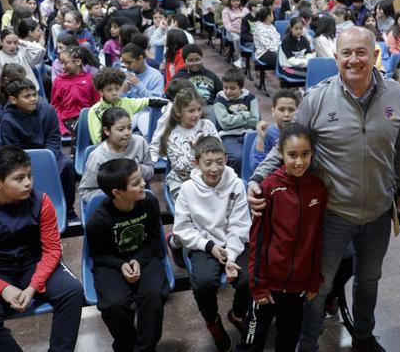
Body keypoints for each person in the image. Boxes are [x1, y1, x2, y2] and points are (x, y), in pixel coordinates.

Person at [249, 26, 400, 352]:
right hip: (333, 214)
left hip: (379, 213)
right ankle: (308, 344)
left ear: (374, 55)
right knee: (319, 287)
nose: (354, 60)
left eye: (361, 52)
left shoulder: (395, 93)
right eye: (346, 53)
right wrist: (256, 178)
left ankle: (363, 335)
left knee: (369, 280)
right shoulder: (317, 98)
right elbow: (285, 145)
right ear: (336, 57)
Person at [0, 145, 83, 351]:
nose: (28, 183)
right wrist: (3, 289)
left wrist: (33, 285)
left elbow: (52, 250)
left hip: (33, 264)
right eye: (19, 178)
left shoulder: (42, 202)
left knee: (73, 292)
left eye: (30, 175)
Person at [239, 124, 327, 352]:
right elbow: (258, 240)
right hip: (268, 285)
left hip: (298, 287)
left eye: (305, 154)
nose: (299, 161)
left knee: (287, 342)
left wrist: (313, 279)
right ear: (281, 154)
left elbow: (317, 239)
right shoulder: (268, 187)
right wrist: (257, 285)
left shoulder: (318, 189)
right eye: (292, 155)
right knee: (251, 343)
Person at [173, 136, 251, 351]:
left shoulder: (236, 184)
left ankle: (236, 314)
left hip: (233, 243)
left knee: (249, 278)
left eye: (219, 162)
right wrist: (210, 247)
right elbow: (182, 229)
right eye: (207, 163)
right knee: (204, 283)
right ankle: (212, 321)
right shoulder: (188, 189)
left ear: (226, 159)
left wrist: (231, 256)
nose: (214, 168)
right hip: (204, 245)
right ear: (196, 164)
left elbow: (240, 224)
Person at [85, 158, 170, 352]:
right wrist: (120, 265)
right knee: (113, 305)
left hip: (145, 256)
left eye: (141, 179)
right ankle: (127, 344)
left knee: (154, 295)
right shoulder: (98, 221)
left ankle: (145, 348)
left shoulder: (148, 202)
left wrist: (138, 260)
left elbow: (154, 239)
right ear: (117, 193)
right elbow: (98, 255)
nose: (143, 184)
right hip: (112, 264)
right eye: (136, 183)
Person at [0, 77, 78, 219]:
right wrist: (30, 164)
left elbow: (54, 138)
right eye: (27, 96)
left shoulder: (48, 110)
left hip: (48, 154)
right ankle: (26, 212)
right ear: (13, 100)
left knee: (67, 164)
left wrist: (47, 160)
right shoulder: (7, 120)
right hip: (22, 160)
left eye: (35, 94)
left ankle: (68, 210)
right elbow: (12, 150)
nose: (33, 99)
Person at [151, 87, 219, 200]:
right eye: (191, 111)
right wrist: (195, 150)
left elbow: (219, 151)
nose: (197, 114)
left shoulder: (207, 125)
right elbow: (181, 168)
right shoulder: (173, 135)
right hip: (182, 182)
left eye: (199, 109)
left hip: (212, 175)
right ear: (178, 112)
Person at [79, 107, 153, 203]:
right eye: (121, 129)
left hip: (137, 196)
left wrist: (136, 169)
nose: (127, 133)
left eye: (129, 127)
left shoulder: (140, 142)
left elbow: (150, 170)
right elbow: (85, 191)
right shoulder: (97, 156)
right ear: (107, 131)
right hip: (112, 203)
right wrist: (114, 197)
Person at [88, 67, 167, 145]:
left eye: (117, 89)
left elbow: (147, 101)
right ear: (101, 92)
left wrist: (168, 103)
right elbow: (97, 141)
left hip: (127, 146)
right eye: (109, 90)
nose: (114, 93)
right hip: (106, 150)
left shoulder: (127, 102)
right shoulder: (95, 111)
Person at [213, 68, 260, 174]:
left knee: (257, 155)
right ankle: (236, 182)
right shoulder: (219, 101)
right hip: (228, 136)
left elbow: (255, 121)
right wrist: (246, 115)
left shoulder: (250, 98)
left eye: (232, 88)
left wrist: (233, 119)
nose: (228, 91)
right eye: (225, 88)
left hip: (249, 134)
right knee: (238, 157)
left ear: (241, 87)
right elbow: (225, 124)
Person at [50, 46, 100, 137]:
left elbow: (98, 104)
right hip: (67, 121)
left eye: (65, 63)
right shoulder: (58, 81)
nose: (62, 67)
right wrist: (61, 127)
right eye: (61, 63)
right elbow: (55, 107)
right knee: (80, 128)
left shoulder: (91, 79)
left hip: (88, 118)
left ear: (77, 62)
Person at [248, 89, 299, 174]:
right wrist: (261, 139)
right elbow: (256, 167)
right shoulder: (266, 134)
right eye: (281, 110)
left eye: (291, 110)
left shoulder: (301, 135)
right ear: (273, 111)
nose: (286, 114)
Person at [0, 26, 45, 90]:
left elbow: (39, 49)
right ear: (1, 42)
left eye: (15, 42)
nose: (13, 46)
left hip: (24, 90)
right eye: (9, 42)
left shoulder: (22, 52)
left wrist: (21, 42)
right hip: (3, 92)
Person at [172, 44, 223, 116]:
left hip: (208, 107)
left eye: (197, 59)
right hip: (188, 109)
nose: (194, 63)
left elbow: (221, 93)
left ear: (202, 59)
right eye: (190, 60)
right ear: (185, 61)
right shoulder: (179, 77)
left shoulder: (211, 76)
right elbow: (172, 97)